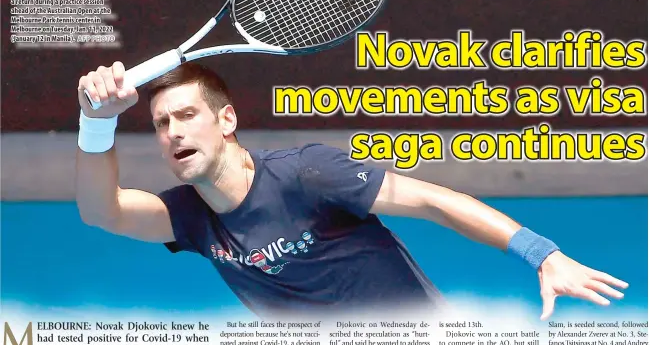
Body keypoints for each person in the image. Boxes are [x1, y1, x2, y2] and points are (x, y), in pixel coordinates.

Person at [76, 61, 629, 319]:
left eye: (186, 115)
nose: (172, 132)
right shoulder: (190, 218)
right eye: (159, 123)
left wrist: (542, 253)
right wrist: (96, 122)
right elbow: (102, 211)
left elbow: (432, 201)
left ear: (226, 120)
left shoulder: (306, 173)